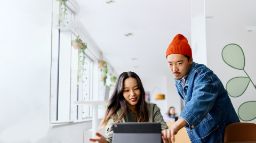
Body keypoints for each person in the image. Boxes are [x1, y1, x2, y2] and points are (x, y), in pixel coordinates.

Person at [165, 34, 240, 143]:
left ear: (190, 60)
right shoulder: (179, 80)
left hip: (222, 136)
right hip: (204, 136)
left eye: (179, 63)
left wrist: (176, 125)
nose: (174, 69)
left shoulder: (204, 76)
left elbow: (199, 102)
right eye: (170, 64)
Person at [89, 71, 171, 143]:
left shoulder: (153, 109)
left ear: (141, 90)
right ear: (121, 92)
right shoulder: (115, 111)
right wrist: (104, 142)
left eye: (136, 88)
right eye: (126, 90)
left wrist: (166, 135)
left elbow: (163, 130)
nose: (132, 94)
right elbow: (111, 139)